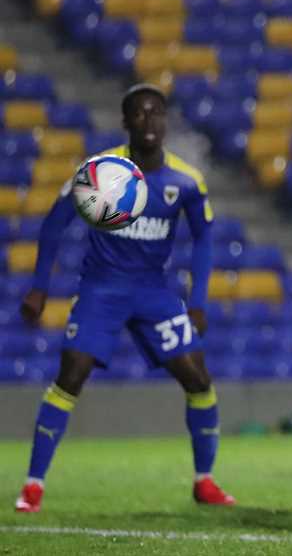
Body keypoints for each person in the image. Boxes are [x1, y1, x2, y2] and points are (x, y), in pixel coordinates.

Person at [14, 84, 234, 512]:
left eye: (156, 113)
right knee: (71, 375)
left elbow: (205, 237)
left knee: (198, 378)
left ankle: (204, 481)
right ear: (125, 122)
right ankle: (33, 485)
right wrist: (40, 286)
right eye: (139, 113)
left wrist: (199, 300)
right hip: (103, 289)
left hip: (154, 291)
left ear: (165, 121)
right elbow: (55, 223)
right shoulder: (101, 173)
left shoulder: (184, 182)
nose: (148, 121)